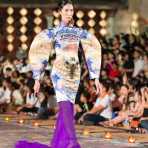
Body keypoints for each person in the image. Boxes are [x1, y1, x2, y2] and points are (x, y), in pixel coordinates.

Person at [15, 0, 102, 147]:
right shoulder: (53, 31)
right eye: (67, 10)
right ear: (60, 11)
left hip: (74, 73)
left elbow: (93, 48)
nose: (69, 13)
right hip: (59, 73)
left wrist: (96, 77)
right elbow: (40, 51)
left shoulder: (78, 32)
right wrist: (37, 78)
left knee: (68, 107)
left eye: (71, 10)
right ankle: (72, 142)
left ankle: (62, 143)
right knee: (65, 107)